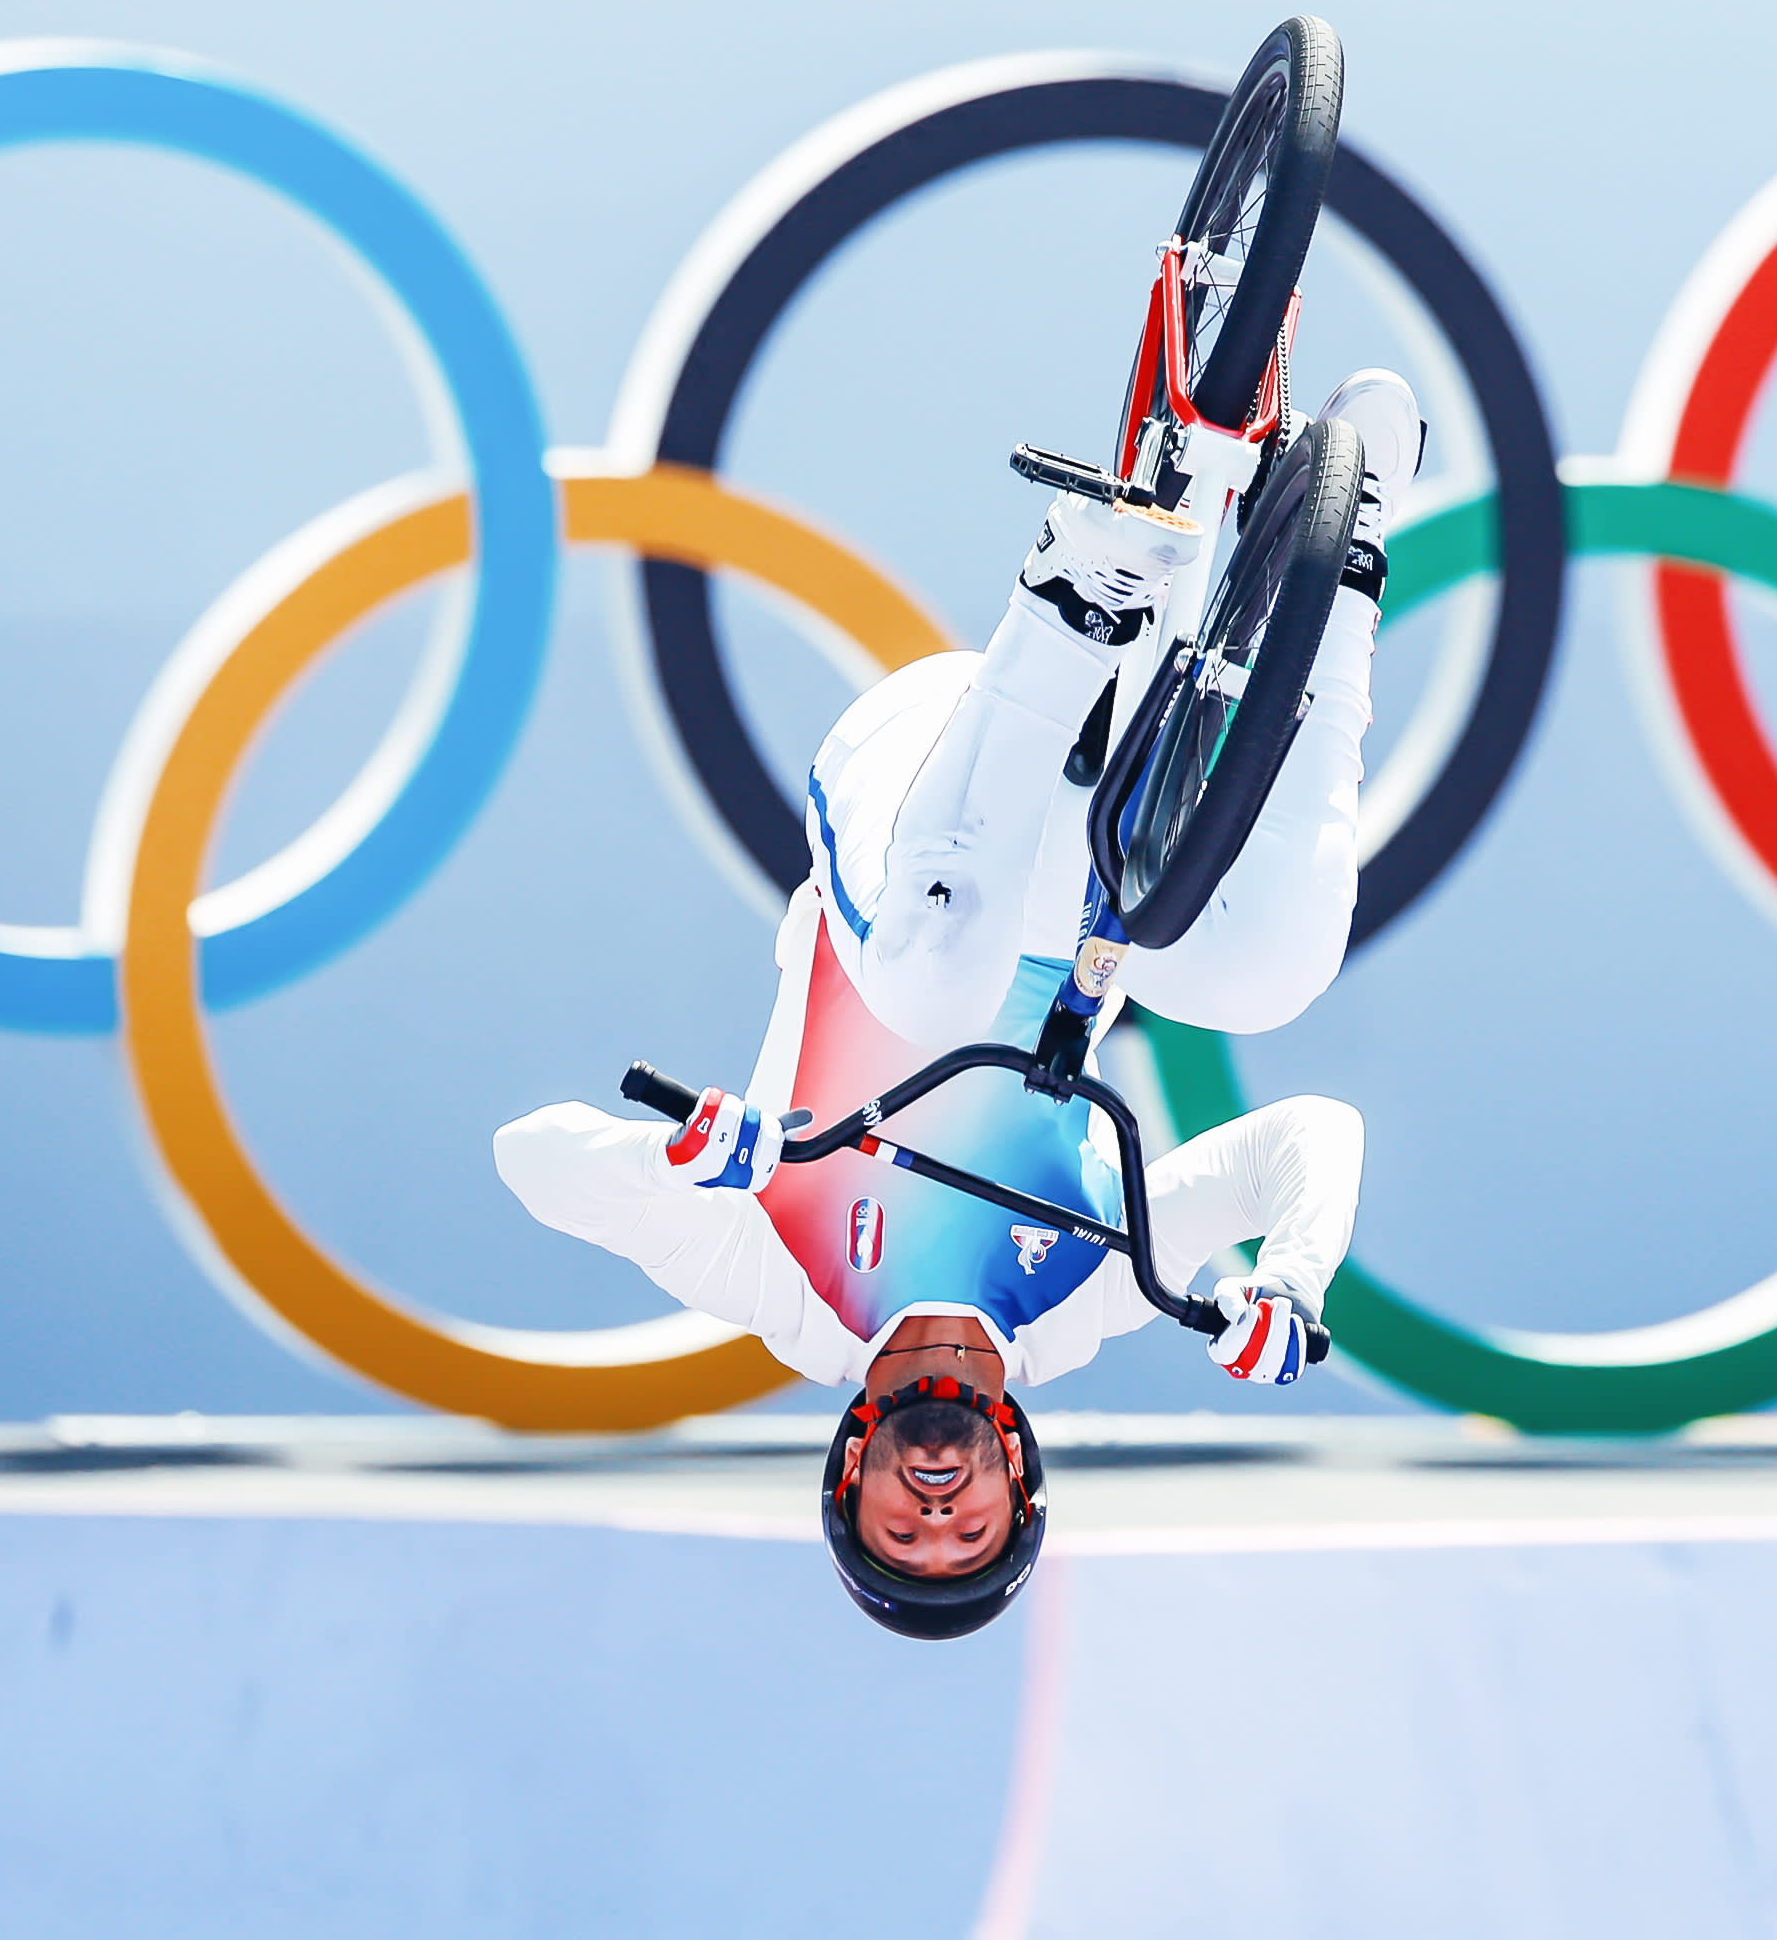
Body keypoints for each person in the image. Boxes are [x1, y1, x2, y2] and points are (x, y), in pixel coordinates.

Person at [496, 371, 1422, 1639]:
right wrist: (1290, 1283)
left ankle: (1074, 582)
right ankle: (1355, 556)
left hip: (923, 799)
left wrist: (692, 1155)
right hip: (1086, 882)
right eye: (968, 1529)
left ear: (850, 1471)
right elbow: (1310, 1137)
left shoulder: (781, 1290)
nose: (938, 1504)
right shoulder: (1092, 1299)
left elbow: (532, 1163)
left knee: (931, 979)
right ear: (1018, 1477)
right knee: (1273, 970)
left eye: (902, 1524)